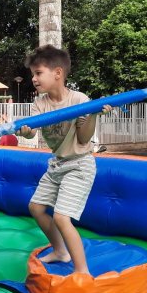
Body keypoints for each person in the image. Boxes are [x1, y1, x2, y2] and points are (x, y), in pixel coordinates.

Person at [16, 45, 112, 276]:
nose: (34, 78)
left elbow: (84, 137)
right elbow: (33, 131)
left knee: (61, 216)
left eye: (38, 73)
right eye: (33, 74)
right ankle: (61, 251)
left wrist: (94, 114)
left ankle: (82, 271)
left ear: (57, 73)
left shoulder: (79, 99)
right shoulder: (41, 103)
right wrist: (26, 131)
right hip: (57, 164)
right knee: (36, 208)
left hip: (79, 164)